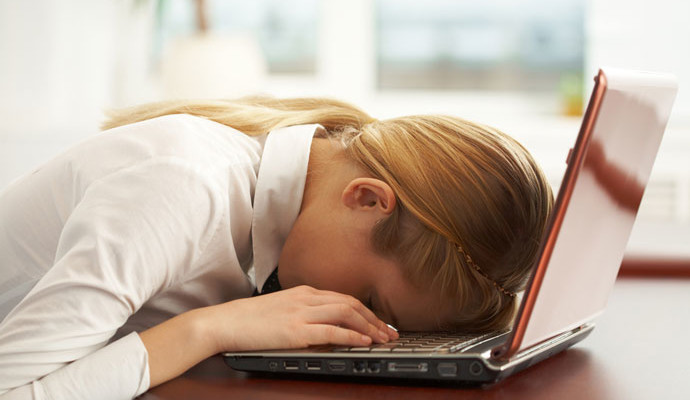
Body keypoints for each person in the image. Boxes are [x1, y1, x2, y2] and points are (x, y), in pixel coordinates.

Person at [0, 97, 553, 399]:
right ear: (365, 199)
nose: (361, 323)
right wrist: (210, 328)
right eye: (372, 301)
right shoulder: (183, 187)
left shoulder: (272, 200)